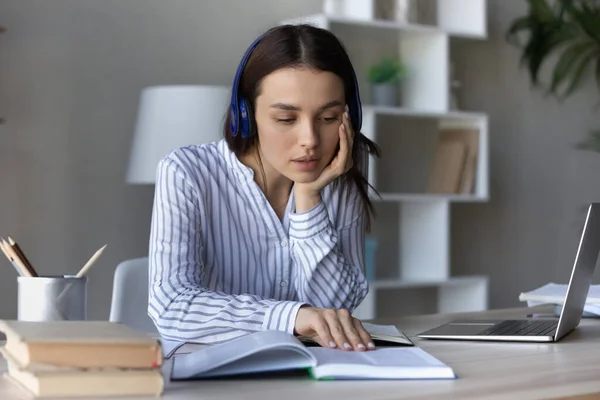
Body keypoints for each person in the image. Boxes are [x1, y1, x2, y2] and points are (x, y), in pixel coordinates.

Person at [148, 23, 380, 352]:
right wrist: (291, 317)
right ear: (246, 114)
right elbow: (173, 306)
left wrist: (309, 197)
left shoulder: (341, 166)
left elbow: (335, 309)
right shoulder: (186, 173)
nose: (310, 141)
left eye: (328, 118)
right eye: (286, 119)